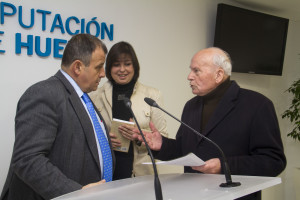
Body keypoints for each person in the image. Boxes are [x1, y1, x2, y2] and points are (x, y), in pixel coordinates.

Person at [133, 47, 286, 200]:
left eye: (196, 71)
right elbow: (185, 150)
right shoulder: (191, 106)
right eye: (190, 70)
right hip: (193, 194)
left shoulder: (257, 105)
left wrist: (224, 166)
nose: (189, 76)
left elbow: (273, 161)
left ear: (218, 75)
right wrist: (162, 145)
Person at [0, 34, 115, 200]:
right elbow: (27, 159)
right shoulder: (43, 93)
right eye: (99, 67)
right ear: (78, 67)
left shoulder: (84, 98)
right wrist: (76, 193)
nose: (103, 74)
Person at [89, 41, 168, 180]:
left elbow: (163, 137)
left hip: (141, 175)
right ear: (109, 68)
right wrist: (104, 140)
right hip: (107, 174)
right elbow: (88, 137)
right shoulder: (95, 96)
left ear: (135, 66)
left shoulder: (152, 95)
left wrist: (140, 136)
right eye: (116, 64)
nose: (122, 69)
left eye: (127, 64)